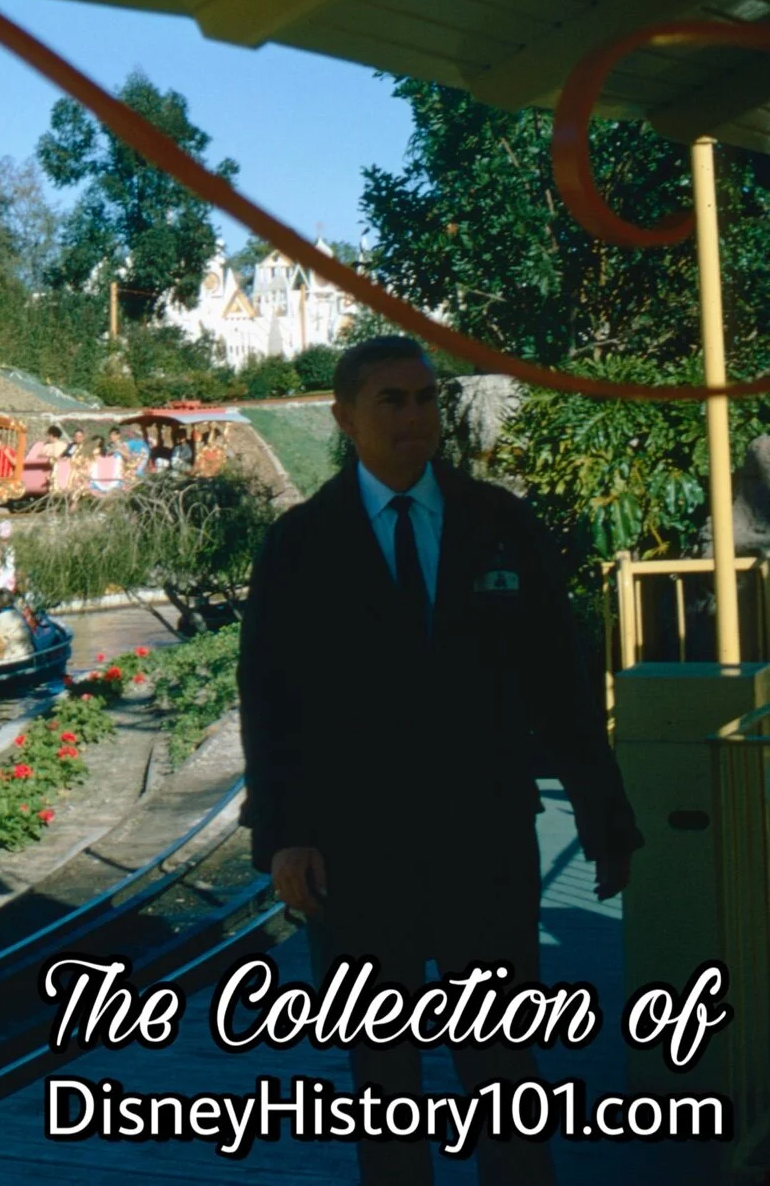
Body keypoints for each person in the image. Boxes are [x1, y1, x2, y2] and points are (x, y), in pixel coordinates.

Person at [239, 336, 640, 1186]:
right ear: (345, 417)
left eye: (425, 398)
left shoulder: (502, 524)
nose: (416, 417)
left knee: (504, 1086)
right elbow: (271, 701)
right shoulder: (301, 544)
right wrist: (284, 837)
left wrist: (604, 814)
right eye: (392, 401)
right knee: (384, 1095)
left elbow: (560, 683)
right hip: (357, 857)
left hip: (484, 845)